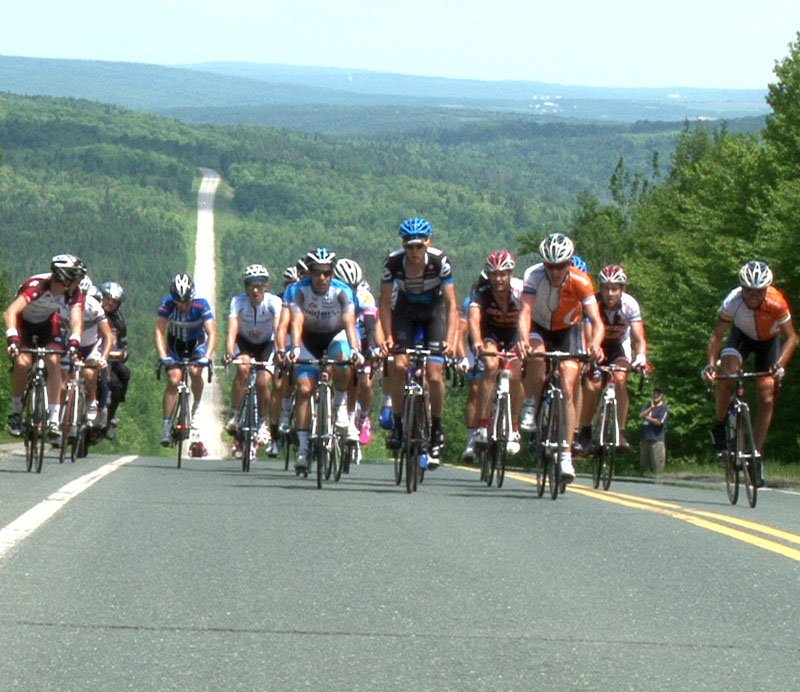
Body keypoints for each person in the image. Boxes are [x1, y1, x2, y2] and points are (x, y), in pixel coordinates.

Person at [518, 233, 604, 483]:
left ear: (569, 263)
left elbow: (596, 321)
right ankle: (531, 402)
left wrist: (596, 345)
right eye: (550, 266)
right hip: (539, 326)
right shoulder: (534, 275)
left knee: (568, 384)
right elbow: (525, 312)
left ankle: (565, 454)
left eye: (560, 265)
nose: (555, 271)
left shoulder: (582, 281)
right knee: (535, 356)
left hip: (569, 330)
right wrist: (523, 339)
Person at [701, 260, 796, 484]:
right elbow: (717, 338)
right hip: (741, 338)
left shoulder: (777, 302)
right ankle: (721, 424)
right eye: (748, 291)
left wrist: (780, 364)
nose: (753, 296)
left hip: (769, 343)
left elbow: (792, 337)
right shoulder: (733, 301)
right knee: (727, 375)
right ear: (741, 287)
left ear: (766, 289)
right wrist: (710, 365)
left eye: (758, 291)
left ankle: (755, 455)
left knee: (766, 396)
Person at [379, 217, 458, 466]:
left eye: (418, 246)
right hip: (405, 313)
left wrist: (452, 339)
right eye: (409, 246)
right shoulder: (393, 263)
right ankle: (399, 424)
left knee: (435, 374)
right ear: (403, 245)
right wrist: (388, 336)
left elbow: (452, 305)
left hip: (434, 314)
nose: (414, 251)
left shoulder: (439, 261)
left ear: (427, 243)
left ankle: (436, 428)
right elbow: (384, 303)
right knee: (399, 365)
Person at [277, 248, 363, 473]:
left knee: (344, 358)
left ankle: (341, 407)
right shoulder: (298, 290)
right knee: (305, 389)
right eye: (317, 272)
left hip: (335, 336)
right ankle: (304, 449)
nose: (322, 278)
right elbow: (295, 322)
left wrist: (356, 349)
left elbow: (349, 322)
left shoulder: (342, 290)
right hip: (307, 339)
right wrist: (294, 348)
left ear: (332, 272)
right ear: (309, 273)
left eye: (326, 272)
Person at [4, 254, 87, 440]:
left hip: (48, 324)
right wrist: (13, 340)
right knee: (23, 362)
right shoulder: (38, 287)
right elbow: (10, 312)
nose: (79, 283)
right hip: (22, 323)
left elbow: (77, 320)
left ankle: (54, 420)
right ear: (65, 279)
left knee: (54, 359)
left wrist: (74, 341)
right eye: (77, 278)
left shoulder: (74, 293)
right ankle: (17, 412)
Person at [576, 264, 648, 454]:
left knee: (621, 379)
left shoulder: (630, 305)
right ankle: (585, 430)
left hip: (618, 347)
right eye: (606, 288)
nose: (610, 293)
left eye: (614, 288)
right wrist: (590, 351)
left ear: (622, 289)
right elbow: (587, 332)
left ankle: (620, 431)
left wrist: (641, 358)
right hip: (596, 344)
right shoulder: (593, 303)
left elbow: (639, 338)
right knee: (592, 385)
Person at [469, 250, 524, 455]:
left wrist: (526, 343)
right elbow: (474, 319)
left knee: (516, 373)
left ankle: (515, 427)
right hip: (490, 332)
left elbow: (529, 317)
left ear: (511, 274)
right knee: (491, 366)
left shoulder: (520, 290)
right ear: (488, 275)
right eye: (494, 274)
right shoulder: (482, 290)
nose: (498, 279)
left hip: (515, 334)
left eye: (503, 274)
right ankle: (483, 425)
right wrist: (476, 342)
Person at [155, 273, 217, 453]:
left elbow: (212, 333)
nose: (182, 306)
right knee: (174, 380)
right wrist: (163, 355)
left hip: (196, 344)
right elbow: (159, 331)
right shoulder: (167, 305)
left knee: (196, 372)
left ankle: (196, 409)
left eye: (186, 302)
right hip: (175, 345)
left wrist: (208, 356)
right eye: (179, 302)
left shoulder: (201, 304)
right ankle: (166, 426)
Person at [224, 264, 282, 452]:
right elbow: (232, 330)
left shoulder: (274, 302)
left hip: (267, 344)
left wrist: (280, 352)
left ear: (267, 286)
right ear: (245, 287)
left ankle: (263, 424)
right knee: (243, 369)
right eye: (250, 285)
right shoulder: (238, 302)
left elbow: (279, 329)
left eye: (259, 285)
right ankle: (235, 415)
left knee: (263, 381)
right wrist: (228, 351)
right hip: (245, 342)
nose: (255, 290)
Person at [333, 258, 382, 450]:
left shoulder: (364, 295)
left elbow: (371, 326)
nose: (349, 290)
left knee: (363, 382)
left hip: (361, 340)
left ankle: (360, 418)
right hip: (338, 338)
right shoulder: (330, 294)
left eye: (352, 286)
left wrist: (371, 349)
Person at [60, 276, 113, 428]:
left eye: (83, 293)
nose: (79, 297)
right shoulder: (63, 305)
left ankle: (91, 400)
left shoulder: (93, 306)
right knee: (64, 380)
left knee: (90, 373)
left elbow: (108, 336)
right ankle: (60, 415)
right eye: (76, 293)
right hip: (71, 344)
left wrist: (104, 358)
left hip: (91, 346)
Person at [98, 281, 130, 440]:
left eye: (114, 301)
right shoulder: (92, 311)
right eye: (107, 298)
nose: (110, 303)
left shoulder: (119, 321)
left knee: (122, 376)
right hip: (90, 355)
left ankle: (110, 417)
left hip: (111, 360)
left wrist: (121, 355)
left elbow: (125, 346)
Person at [639, 388, 669, 474]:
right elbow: (641, 415)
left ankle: (658, 481)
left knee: (657, 466)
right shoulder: (648, 405)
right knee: (644, 466)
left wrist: (646, 417)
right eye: (655, 393)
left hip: (656, 439)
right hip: (645, 438)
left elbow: (659, 422)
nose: (656, 395)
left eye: (658, 394)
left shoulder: (664, 408)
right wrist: (651, 408)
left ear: (662, 396)